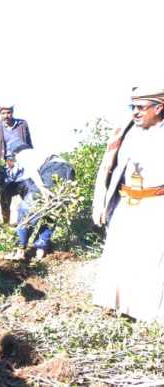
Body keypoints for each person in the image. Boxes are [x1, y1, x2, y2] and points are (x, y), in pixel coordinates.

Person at [92, 87, 164, 322]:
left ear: (159, 108)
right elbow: (107, 169)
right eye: (132, 107)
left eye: (140, 107)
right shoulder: (126, 132)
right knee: (120, 258)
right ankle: (117, 309)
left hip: (156, 206)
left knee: (150, 263)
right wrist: (101, 203)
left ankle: (146, 316)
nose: (135, 112)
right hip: (125, 205)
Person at [7, 144, 74, 260]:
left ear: (15, 153)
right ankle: (40, 250)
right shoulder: (39, 153)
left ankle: (19, 249)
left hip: (54, 169)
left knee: (27, 209)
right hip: (69, 170)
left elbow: (32, 171)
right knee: (53, 211)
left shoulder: (23, 154)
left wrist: (42, 187)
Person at [0, 105, 33, 224]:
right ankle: (6, 224)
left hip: (22, 165)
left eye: (9, 113)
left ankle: (26, 224)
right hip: (4, 167)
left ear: (13, 112)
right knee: (5, 197)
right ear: (0, 113)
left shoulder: (22, 125)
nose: (7, 116)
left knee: (28, 192)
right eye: (4, 113)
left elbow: (29, 144)